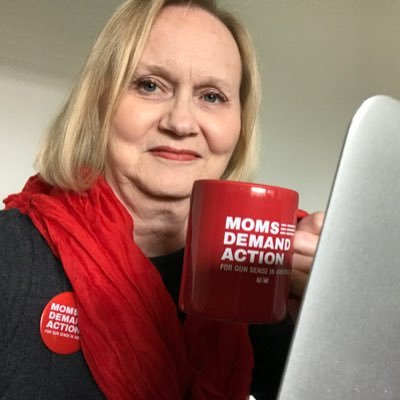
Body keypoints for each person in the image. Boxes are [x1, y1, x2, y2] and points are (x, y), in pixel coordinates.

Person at [0, 0, 323, 399]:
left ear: (241, 121)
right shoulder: (10, 256)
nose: (181, 123)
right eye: (150, 85)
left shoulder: (255, 277)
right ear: (99, 102)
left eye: (212, 96)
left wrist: (329, 318)